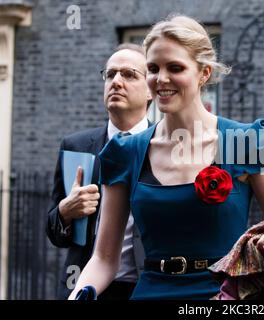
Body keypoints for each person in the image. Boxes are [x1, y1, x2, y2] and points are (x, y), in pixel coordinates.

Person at [68, 14, 264, 300]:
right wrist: (79, 294)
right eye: (152, 68)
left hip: (227, 296)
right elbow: (104, 258)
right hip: (151, 292)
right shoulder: (126, 152)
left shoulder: (245, 142)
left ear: (204, 74)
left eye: (175, 67)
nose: (161, 79)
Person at [46, 43, 152, 299]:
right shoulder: (75, 146)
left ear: (151, 89)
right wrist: (65, 211)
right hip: (86, 286)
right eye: (110, 74)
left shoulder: (163, 145)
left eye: (128, 74)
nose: (116, 81)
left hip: (145, 288)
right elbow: (54, 233)